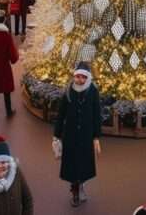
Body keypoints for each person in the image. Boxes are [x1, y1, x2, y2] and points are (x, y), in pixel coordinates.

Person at [53, 61, 102, 207]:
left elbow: (96, 114)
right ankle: (75, 190)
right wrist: (56, 135)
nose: (80, 80)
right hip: (71, 135)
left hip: (86, 136)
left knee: (84, 164)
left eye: (83, 77)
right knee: (72, 165)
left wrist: (96, 137)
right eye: (77, 77)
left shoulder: (93, 91)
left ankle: (80, 184)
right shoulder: (68, 91)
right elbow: (61, 114)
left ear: (87, 78)